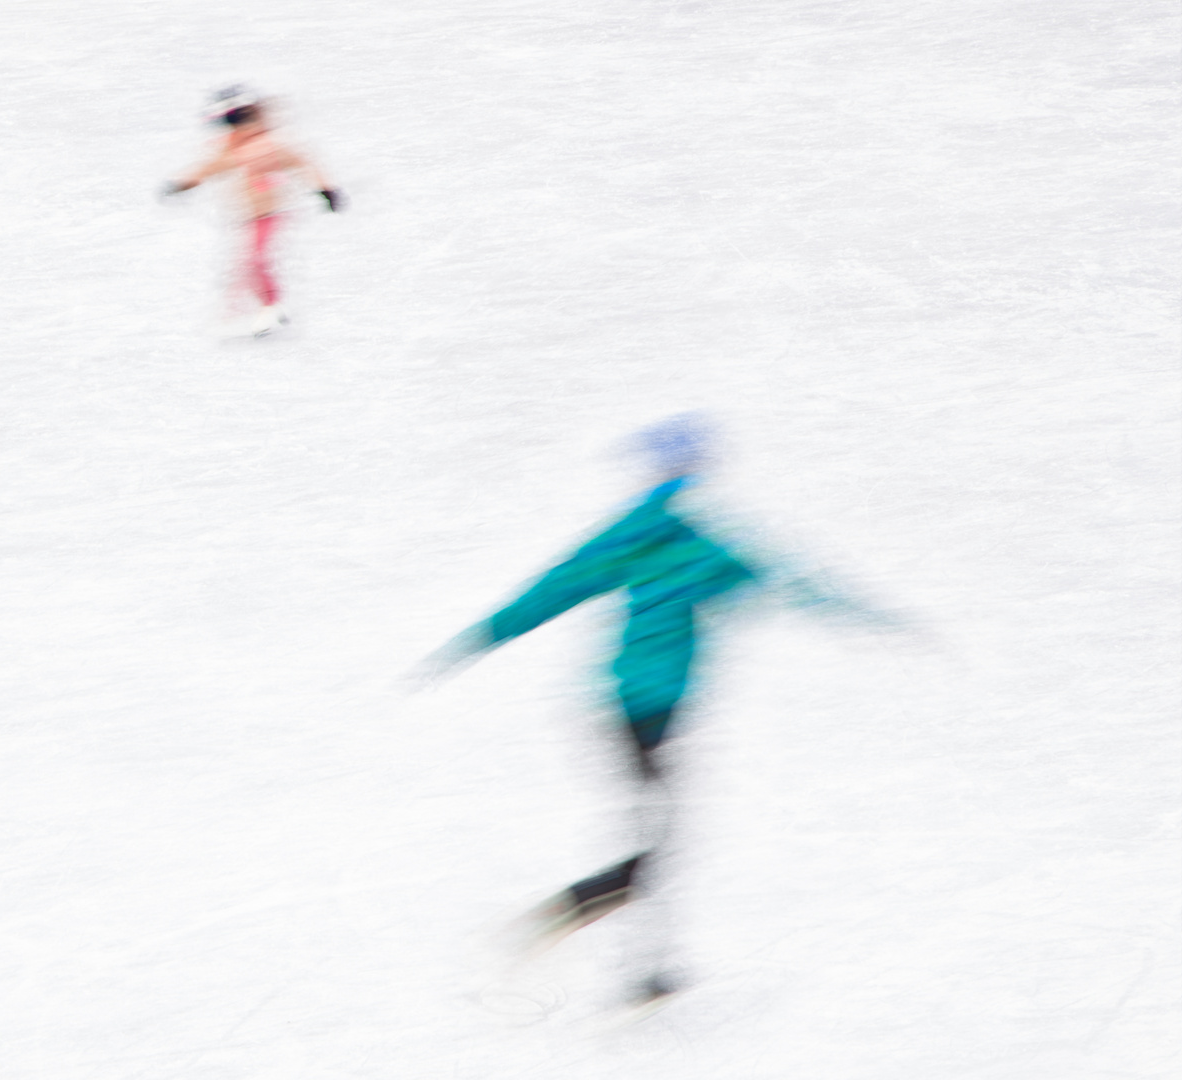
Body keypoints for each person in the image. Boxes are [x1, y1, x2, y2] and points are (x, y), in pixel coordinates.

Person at [414, 416, 889, 1014]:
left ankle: (647, 969)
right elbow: (792, 584)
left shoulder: (634, 535)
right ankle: (571, 920)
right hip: (649, 711)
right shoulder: (699, 543)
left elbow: (554, 587)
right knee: (657, 844)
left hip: (623, 706)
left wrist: (481, 637)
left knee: (657, 839)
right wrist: (870, 618)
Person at [162, 87, 342, 336]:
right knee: (244, 265)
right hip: (249, 216)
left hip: (269, 213)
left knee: (254, 261)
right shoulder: (234, 146)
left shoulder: (265, 145)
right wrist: (183, 184)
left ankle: (271, 308)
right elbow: (210, 167)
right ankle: (236, 313)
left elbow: (300, 162)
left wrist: (326, 189)